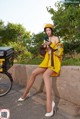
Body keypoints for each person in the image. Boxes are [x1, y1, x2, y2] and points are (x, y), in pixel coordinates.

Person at [18, 23, 63, 117]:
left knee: (45, 75)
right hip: (46, 61)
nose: (48, 32)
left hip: (54, 61)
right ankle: (25, 94)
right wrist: (43, 47)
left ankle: (50, 104)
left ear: (52, 30)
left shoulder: (56, 38)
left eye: (49, 30)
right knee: (34, 73)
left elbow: (59, 52)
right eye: (46, 30)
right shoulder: (45, 39)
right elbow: (42, 53)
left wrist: (50, 45)